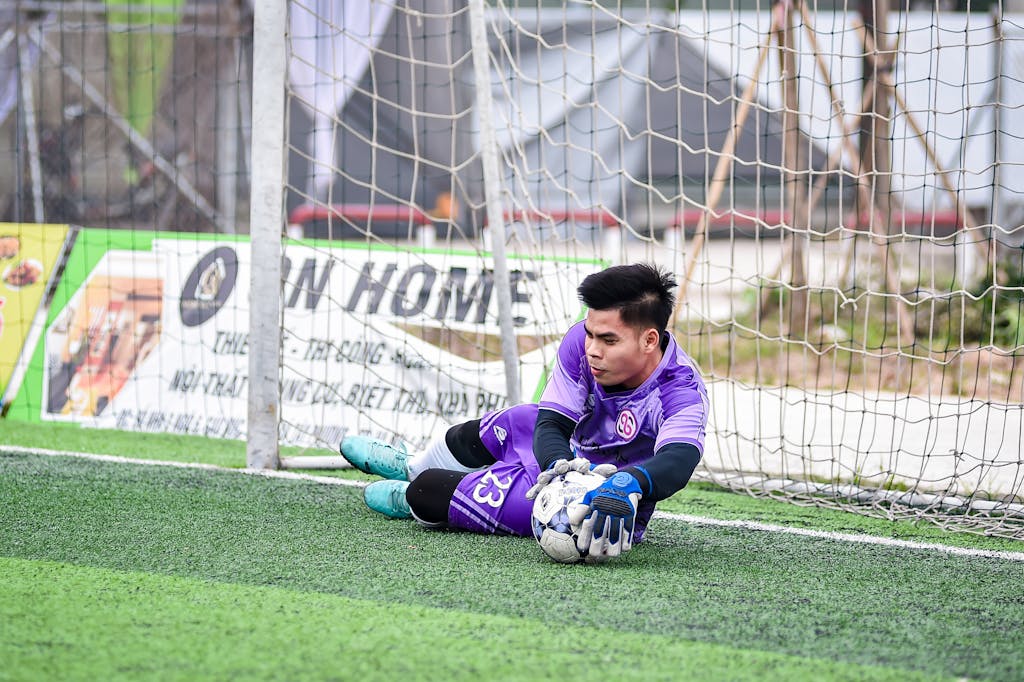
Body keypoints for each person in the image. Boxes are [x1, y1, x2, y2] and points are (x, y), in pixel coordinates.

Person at [338, 263, 708, 559]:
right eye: (591, 333)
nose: (592, 348)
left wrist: (630, 483)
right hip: (564, 464)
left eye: (608, 340)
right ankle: (410, 465)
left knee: (428, 491)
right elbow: (552, 422)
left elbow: (679, 458)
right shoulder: (580, 342)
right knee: (516, 418)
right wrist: (558, 468)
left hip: (599, 502)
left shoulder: (681, 388)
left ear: (649, 340)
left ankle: (409, 492)